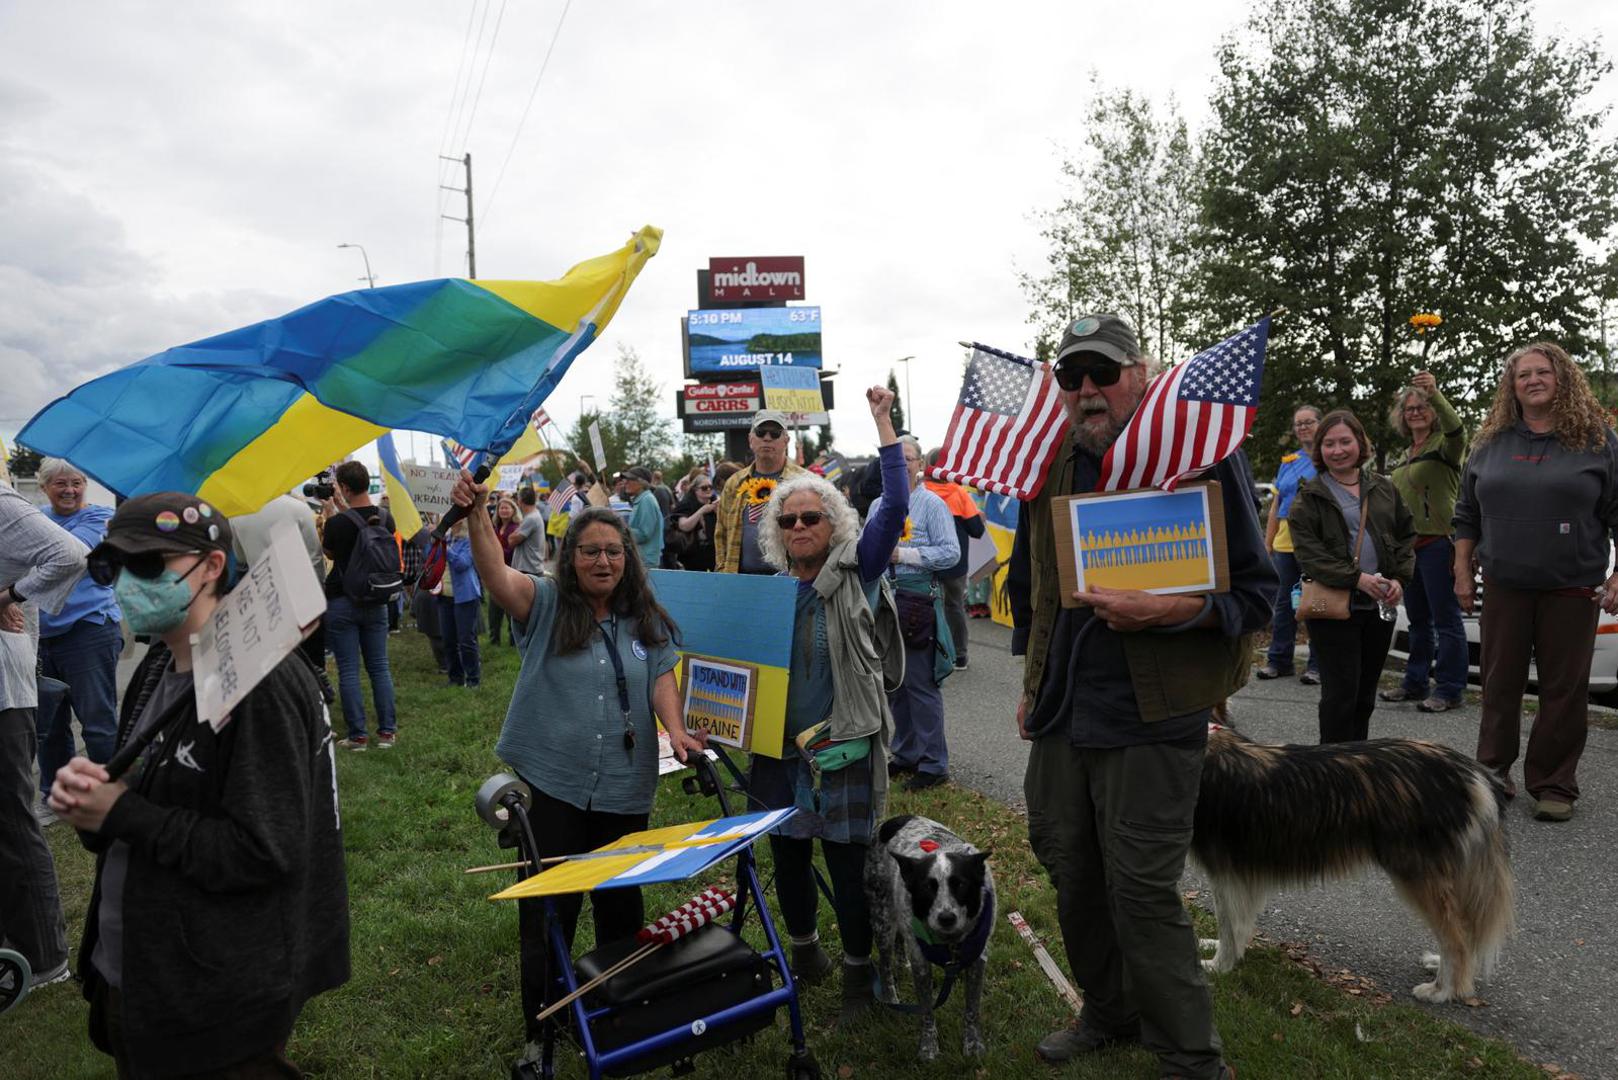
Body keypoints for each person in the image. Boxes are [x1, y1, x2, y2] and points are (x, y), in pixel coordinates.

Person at [1008, 313, 1270, 1079]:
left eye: (1104, 372)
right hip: (1062, 711)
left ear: (1141, 375)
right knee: (1068, 863)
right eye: (1072, 376)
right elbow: (1038, 589)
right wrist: (1033, 684)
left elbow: (1256, 596)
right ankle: (1109, 1009)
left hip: (1153, 714)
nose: (1088, 390)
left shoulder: (1201, 457)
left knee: (1141, 886)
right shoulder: (1054, 462)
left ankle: (1190, 1056)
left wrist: (1172, 610)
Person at [48, 492, 347, 1075]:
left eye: (148, 565)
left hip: (217, 995)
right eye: (113, 567)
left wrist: (121, 813)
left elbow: (266, 849)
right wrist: (97, 798)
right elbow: (146, 790)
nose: (127, 585)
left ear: (212, 566)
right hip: (142, 972)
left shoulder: (262, 685)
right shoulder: (161, 663)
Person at [446, 478, 705, 1056]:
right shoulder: (545, 604)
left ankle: (615, 1014)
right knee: (548, 913)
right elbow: (495, 575)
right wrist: (478, 515)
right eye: (590, 550)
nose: (603, 560)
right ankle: (544, 1028)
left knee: (620, 905)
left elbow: (661, 678)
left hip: (624, 787)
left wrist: (678, 729)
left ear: (628, 559)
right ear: (571, 557)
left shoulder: (646, 618)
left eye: (614, 551)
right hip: (552, 785)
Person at [749, 385, 905, 1023]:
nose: (800, 527)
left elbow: (893, 506)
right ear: (777, 533)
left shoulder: (855, 570)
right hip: (781, 752)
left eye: (811, 517)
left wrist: (883, 422)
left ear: (833, 523)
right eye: (788, 521)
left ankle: (858, 975)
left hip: (843, 745)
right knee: (787, 856)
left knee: (846, 864)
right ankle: (807, 951)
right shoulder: (767, 595)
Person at [1454, 342, 1618, 822]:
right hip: (1505, 583)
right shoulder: (1490, 442)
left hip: (1572, 585)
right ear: (1512, 386)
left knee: (1563, 690)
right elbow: (1466, 514)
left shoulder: (1596, 440)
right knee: (1499, 683)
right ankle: (1491, 772)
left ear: (1562, 378)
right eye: (1522, 374)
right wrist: (1463, 569)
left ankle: (1554, 783)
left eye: (1542, 371)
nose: (1532, 380)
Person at [0, 478, 86, 1005]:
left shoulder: (3, 503)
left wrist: (9, 596)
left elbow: (68, 554)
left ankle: (46, 955)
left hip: (4, 695)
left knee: (10, 816)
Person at [1289, 409, 1415, 744]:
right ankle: (1331, 772)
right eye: (1329, 443)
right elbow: (1310, 556)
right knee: (1340, 696)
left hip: (1378, 607)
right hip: (1335, 609)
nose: (1338, 449)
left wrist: (1400, 579)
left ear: (1360, 443)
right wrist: (1357, 578)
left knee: (1364, 696)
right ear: (1319, 449)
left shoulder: (1384, 488)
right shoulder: (1309, 496)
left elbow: (1405, 536)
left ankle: (1358, 768)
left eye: (1345, 441)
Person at [872, 436, 959, 790]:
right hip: (884, 601)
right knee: (895, 684)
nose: (903, 465)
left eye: (908, 459)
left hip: (917, 600)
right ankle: (906, 754)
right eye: (897, 460)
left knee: (921, 685)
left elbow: (951, 554)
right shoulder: (879, 504)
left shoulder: (932, 505)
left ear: (920, 464)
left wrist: (903, 556)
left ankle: (934, 764)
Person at [35, 458, 123, 806]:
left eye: (76, 482)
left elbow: (67, 556)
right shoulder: (39, 518)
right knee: (50, 726)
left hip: (89, 631)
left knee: (98, 721)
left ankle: (110, 794)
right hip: (42, 638)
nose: (69, 490)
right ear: (44, 487)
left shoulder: (98, 517)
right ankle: (56, 796)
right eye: (60, 484)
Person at [1380, 371, 1468, 712]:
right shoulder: (1406, 453)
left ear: (1432, 411)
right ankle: (1415, 682)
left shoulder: (1445, 447)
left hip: (1438, 543)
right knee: (1417, 620)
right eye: (1409, 408)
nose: (1415, 412)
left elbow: (1456, 429)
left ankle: (1449, 688)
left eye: (1421, 407)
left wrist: (1436, 394)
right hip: (1409, 548)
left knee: (1446, 619)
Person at [321, 460, 397, 751]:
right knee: (379, 667)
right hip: (377, 598)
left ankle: (358, 736)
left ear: (344, 488)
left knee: (349, 670)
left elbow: (329, 550)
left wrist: (331, 512)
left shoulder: (338, 523)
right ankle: (387, 733)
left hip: (343, 600)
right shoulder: (386, 517)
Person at [1255, 407, 1322, 684]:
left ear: (1321, 423)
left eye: (1309, 422)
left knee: (1317, 605)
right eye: (1298, 424)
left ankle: (1317, 665)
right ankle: (1279, 660)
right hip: (1285, 542)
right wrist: (1267, 544)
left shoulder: (1327, 457)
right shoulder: (1289, 461)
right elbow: (1276, 504)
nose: (1303, 427)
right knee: (1285, 604)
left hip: (1315, 543)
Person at [716, 411, 807, 573]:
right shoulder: (734, 483)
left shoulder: (805, 481)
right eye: (760, 432)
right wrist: (723, 569)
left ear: (786, 440)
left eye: (775, 433)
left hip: (793, 579)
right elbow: (721, 533)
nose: (767, 438)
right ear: (751, 440)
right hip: (740, 580)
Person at [924, 450, 986, 670]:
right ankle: (959, 655)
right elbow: (977, 530)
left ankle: (929, 654)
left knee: (926, 606)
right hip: (954, 563)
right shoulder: (959, 493)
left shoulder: (920, 493)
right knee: (954, 606)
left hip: (925, 561)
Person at [439, 519, 483, 688]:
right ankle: (455, 677)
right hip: (444, 595)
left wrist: (445, 548)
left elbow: (462, 564)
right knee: (449, 640)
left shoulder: (470, 539)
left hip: (465, 595)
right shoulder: (446, 537)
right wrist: (433, 542)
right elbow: (431, 557)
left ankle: (473, 679)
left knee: (466, 640)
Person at [489, 496, 521, 646]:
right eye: (501, 507)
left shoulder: (516, 528)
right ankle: (494, 639)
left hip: (510, 571)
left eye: (507, 507)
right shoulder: (495, 528)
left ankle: (513, 639)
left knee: (510, 608)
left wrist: (495, 551)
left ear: (513, 510)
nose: (504, 510)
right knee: (494, 608)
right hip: (496, 572)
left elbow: (511, 551)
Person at [670, 473, 719, 571]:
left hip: (713, 554)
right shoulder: (687, 504)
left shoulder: (715, 502)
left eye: (710, 487)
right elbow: (684, 526)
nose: (708, 490)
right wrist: (702, 510)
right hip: (691, 554)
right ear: (695, 490)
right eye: (704, 488)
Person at [621, 466, 664, 570]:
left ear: (641, 483)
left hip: (646, 562)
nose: (625, 482)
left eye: (630, 479)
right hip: (641, 560)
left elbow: (644, 534)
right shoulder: (642, 500)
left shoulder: (647, 500)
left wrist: (620, 530)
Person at [510, 487, 548, 578]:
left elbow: (512, 541)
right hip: (530, 568)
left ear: (520, 500)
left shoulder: (531, 518)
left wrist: (512, 536)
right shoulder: (533, 515)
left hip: (528, 569)